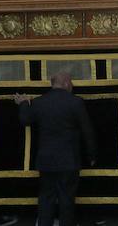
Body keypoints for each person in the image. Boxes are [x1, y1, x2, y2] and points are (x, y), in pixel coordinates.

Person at [15, 72, 96, 226]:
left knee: (46, 197)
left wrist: (24, 103)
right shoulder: (76, 102)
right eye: (71, 82)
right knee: (67, 198)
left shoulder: (39, 102)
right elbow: (88, 131)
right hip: (69, 160)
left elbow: (25, 120)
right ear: (66, 83)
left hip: (46, 160)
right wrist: (91, 154)